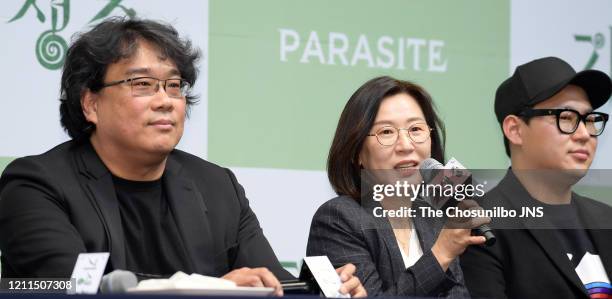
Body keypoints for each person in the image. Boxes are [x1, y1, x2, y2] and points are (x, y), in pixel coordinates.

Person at [0, 17, 366, 297]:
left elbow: (271, 283)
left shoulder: (216, 185)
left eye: (173, 85)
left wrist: (324, 290)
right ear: (91, 103)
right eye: (141, 84)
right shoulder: (35, 185)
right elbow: (76, 286)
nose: (165, 100)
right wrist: (215, 289)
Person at [306, 76, 490, 297]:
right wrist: (441, 254)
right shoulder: (338, 219)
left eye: (415, 129)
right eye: (386, 132)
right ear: (357, 154)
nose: (406, 145)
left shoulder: (434, 217)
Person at [460, 57, 612, 299]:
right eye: (566, 118)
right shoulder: (482, 226)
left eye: (590, 120)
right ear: (515, 130)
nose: (584, 134)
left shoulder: (605, 218)